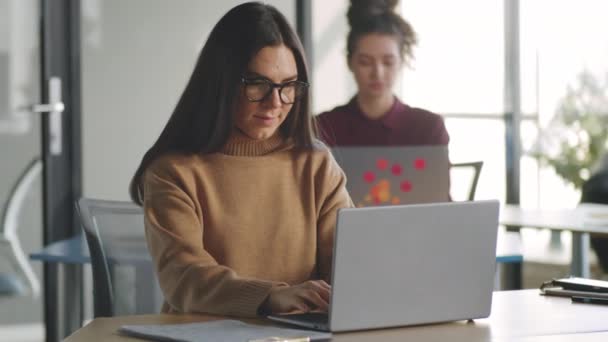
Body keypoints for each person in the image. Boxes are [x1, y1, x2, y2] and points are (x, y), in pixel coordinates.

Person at [129, 2, 353, 318]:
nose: (275, 102)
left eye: (288, 85)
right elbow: (184, 276)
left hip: (299, 334)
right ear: (222, 82)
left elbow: (350, 266)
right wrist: (271, 296)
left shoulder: (316, 164)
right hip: (203, 335)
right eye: (258, 84)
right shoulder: (173, 171)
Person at [316, 0, 449, 147]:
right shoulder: (322, 128)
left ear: (401, 61)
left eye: (388, 62)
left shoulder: (428, 128)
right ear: (349, 62)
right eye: (365, 62)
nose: (377, 73)